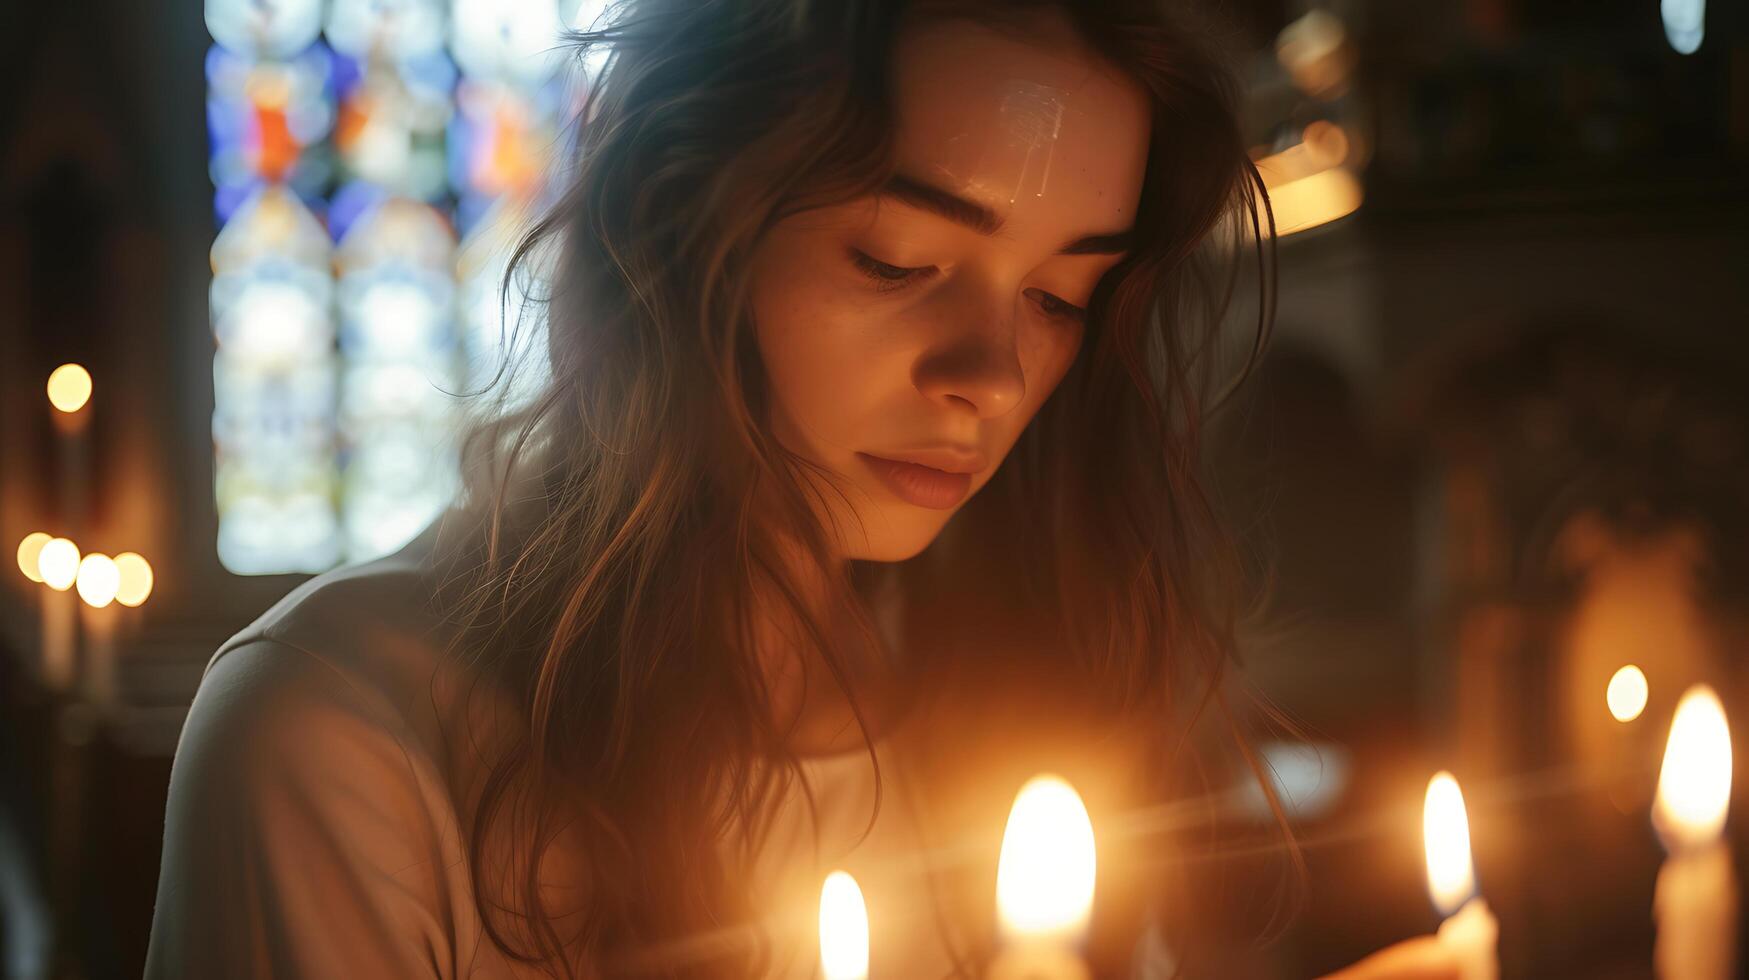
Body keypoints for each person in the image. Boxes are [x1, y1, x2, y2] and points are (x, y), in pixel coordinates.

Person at [146, 1, 1457, 976]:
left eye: (1060, 297)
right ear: (673, 228)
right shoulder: (342, 744)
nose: (991, 377)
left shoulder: (1022, 681)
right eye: (896, 261)